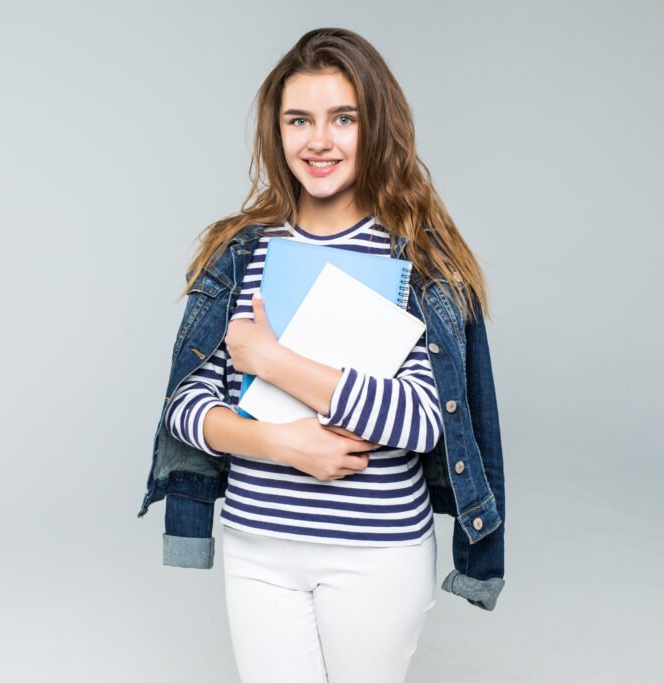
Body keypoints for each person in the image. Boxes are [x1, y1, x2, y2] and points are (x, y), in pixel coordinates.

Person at [137, 27, 506, 683]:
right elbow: (186, 409)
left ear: (376, 127)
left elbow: (426, 422)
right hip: (258, 549)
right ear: (275, 131)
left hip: (375, 552)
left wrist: (273, 361)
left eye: (343, 118)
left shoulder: (414, 261)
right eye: (299, 119)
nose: (319, 140)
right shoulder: (243, 252)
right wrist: (285, 445)